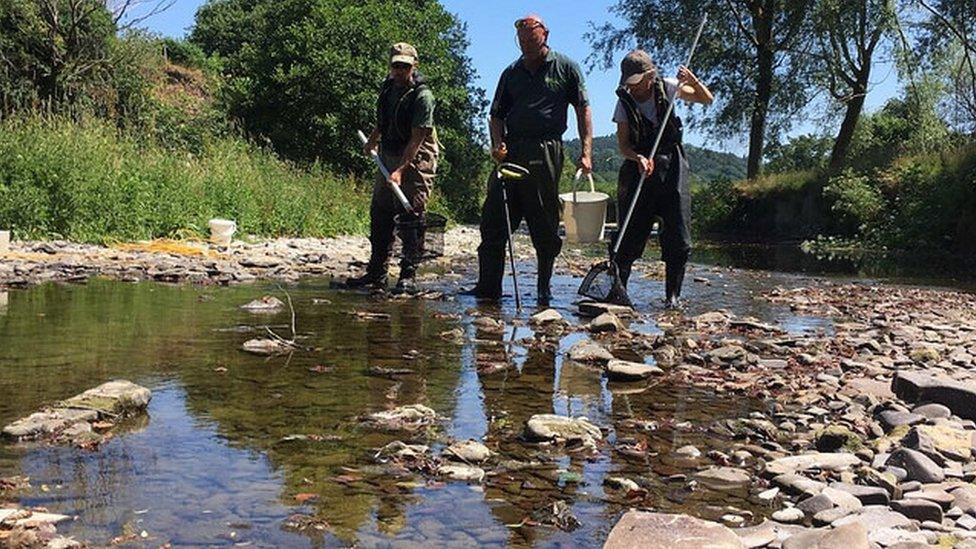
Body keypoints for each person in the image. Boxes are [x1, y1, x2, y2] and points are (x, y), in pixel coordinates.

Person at [462, 14, 593, 305]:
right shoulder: (511, 73)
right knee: (494, 217)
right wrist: (497, 144)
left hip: (547, 149)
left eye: (531, 41)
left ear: (544, 35)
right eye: (521, 42)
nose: (526, 48)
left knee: (544, 222)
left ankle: (543, 288)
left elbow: (583, 109)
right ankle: (488, 287)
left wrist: (586, 152)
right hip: (511, 150)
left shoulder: (566, 68)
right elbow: (496, 114)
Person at [611, 49, 712, 309]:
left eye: (636, 81)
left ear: (649, 75)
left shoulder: (666, 86)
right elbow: (623, 146)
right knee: (629, 233)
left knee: (677, 232)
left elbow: (707, 100)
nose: (632, 87)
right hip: (638, 168)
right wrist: (638, 158)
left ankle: (672, 297)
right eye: (628, 82)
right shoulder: (623, 102)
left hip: (672, 166)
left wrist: (693, 81)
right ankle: (619, 292)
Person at [349, 42, 438, 294]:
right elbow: (383, 121)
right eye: (396, 66)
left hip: (417, 155)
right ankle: (376, 272)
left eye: (404, 66)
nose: (399, 71)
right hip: (388, 151)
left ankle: (408, 275)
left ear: (414, 66)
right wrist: (372, 140)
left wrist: (400, 171)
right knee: (380, 211)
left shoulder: (422, 96)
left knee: (411, 214)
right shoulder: (387, 89)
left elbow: (417, 138)